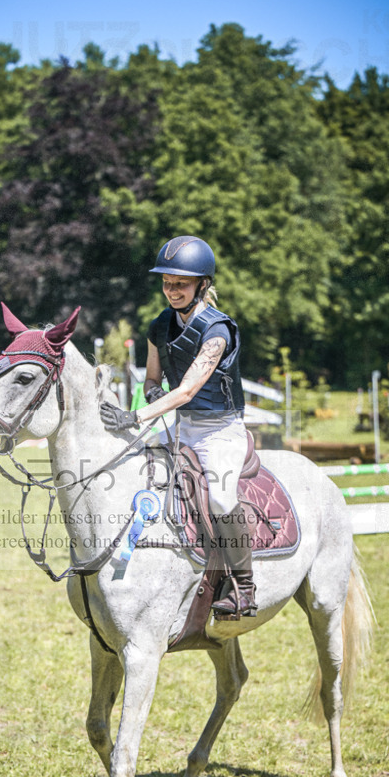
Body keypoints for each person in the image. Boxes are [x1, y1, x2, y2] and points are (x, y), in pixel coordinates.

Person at [100, 235, 256, 618]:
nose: (172, 291)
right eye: (167, 283)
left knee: (220, 498)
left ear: (202, 284)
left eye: (181, 284)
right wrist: (151, 395)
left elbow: (186, 390)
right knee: (129, 462)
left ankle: (245, 587)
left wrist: (136, 416)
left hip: (221, 431)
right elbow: (153, 380)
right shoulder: (159, 326)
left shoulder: (217, 330)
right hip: (181, 425)